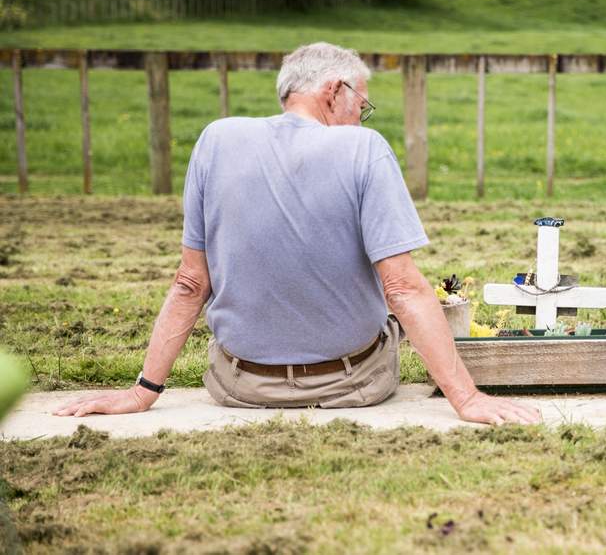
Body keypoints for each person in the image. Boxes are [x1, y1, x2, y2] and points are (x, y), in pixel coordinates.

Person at [55, 43, 541, 426]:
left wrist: (142, 392)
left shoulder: (215, 139)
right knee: (392, 309)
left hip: (240, 387)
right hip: (353, 386)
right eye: (362, 104)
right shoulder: (362, 147)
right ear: (336, 91)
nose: (360, 117)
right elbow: (403, 287)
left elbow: (190, 283)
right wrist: (467, 396)